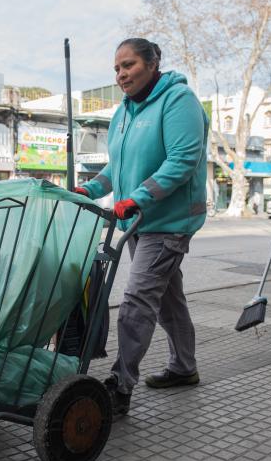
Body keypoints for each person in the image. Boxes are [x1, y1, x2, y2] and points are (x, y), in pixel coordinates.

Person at [73, 37, 209, 415]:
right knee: (167, 300)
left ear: (153, 64)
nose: (121, 74)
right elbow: (116, 168)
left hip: (169, 221)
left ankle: (121, 383)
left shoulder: (178, 101)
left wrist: (138, 198)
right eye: (117, 68)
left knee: (137, 299)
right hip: (140, 221)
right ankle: (185, 367)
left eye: (128, 65)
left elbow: (183, 160)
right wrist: (89, 189)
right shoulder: (124, 113)